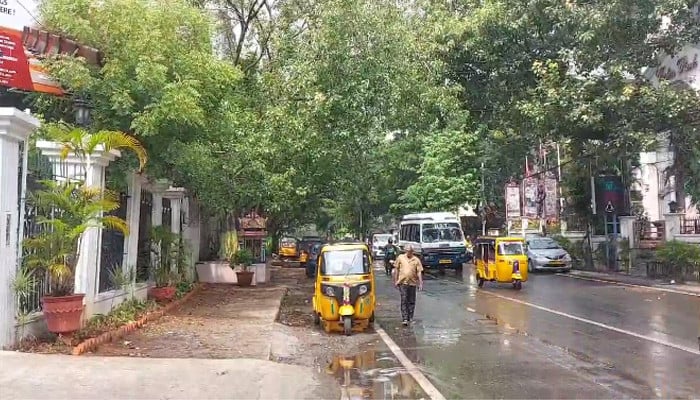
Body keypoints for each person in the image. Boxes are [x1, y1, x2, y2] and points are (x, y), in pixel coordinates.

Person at [392, 244, 423, 325]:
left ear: (412, 251)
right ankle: (405, 318)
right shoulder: (400, 258)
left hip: (412, 283)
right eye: (408, 251)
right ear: (405, 251)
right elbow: (396, 269)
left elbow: (419, 272)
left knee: (411, 301)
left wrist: (420, 283)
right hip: (402, 282)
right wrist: (395, 280)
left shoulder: (416, 260)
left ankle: (410, 317)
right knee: (404, 299)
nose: (409, 253)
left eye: (411, 251)